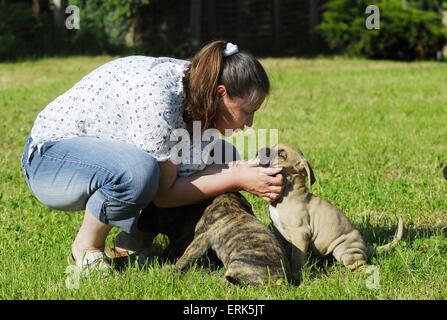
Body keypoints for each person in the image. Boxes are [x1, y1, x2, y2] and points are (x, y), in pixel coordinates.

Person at [20, 40, 284, 274]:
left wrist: (234, 168)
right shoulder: (158, 98)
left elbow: (188, 167)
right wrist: (236, 177)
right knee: (140, 172)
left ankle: (131, 243)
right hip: (50, 158)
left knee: (223, 154)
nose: (250, 124)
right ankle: (87, 247)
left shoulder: (201, 83)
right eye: (247, 111)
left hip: (98, 156)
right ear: (221, 94)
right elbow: (164, 194)